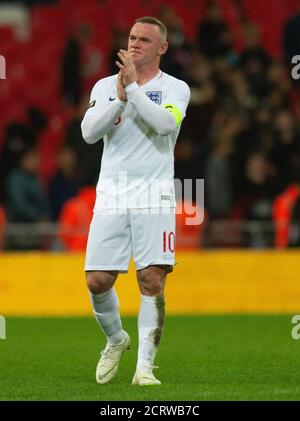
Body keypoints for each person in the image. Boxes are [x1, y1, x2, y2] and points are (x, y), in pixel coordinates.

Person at [81, 16, 190, 386]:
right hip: (111, 193)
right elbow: (88, 133)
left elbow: (164, 125)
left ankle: (144, 367)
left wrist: (135, 91)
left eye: (145, 39)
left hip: (154, 195)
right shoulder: (104, 86)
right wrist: (119, 98)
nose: (136, 44)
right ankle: (116, 339)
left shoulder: (176, 89)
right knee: (97, 280)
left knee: (151, 279)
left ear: (162, 48)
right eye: (131, 37)